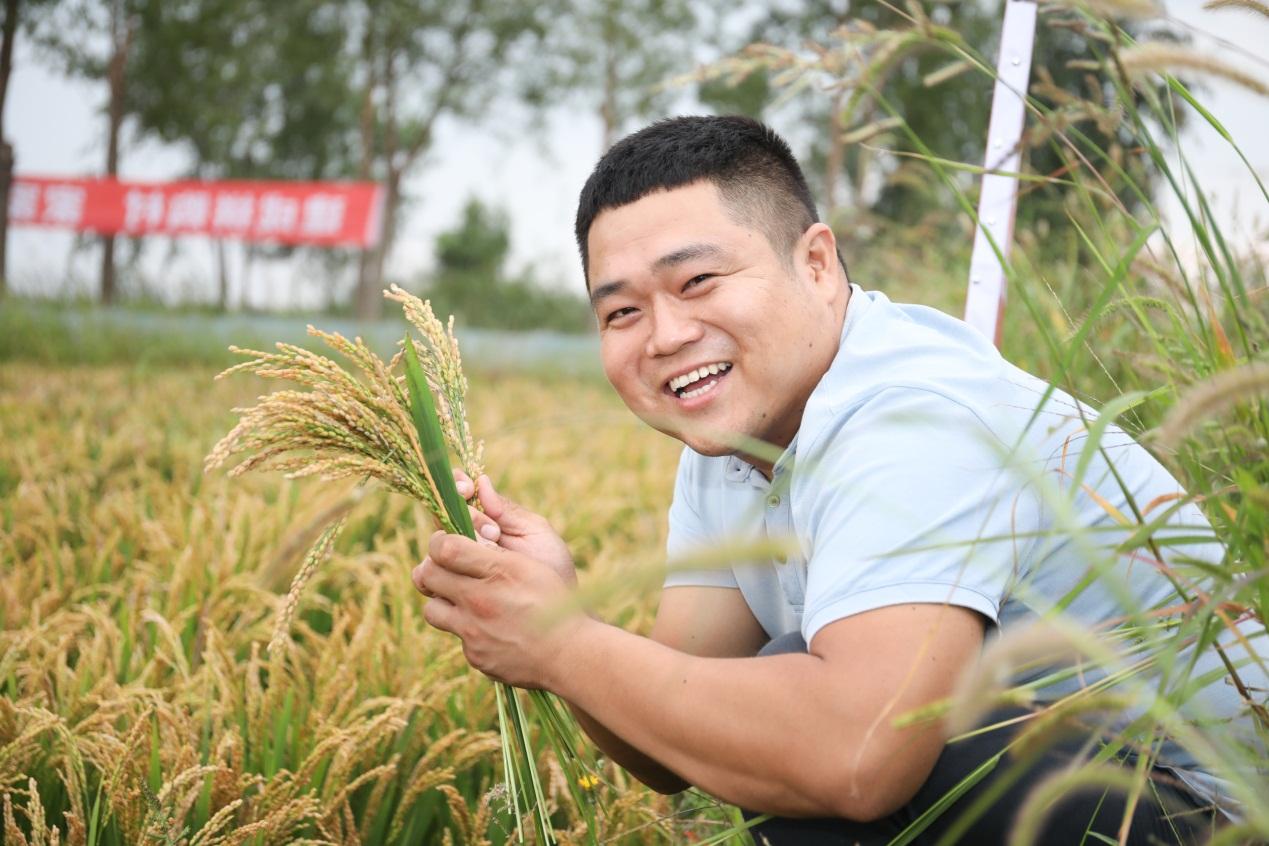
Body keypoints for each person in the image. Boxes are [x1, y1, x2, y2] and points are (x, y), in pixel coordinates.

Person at [411, 116, 1264, 844]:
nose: (664, 335)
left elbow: (856, 760)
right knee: (755, 705)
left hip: (1214, 811)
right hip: (1085, 782)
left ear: (816, 264)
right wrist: (555, 613)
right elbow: (666, 731)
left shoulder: (911, 414)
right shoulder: (731, 441)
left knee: (809, 713)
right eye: (621, 312)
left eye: (698, 280)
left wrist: (561, 646)